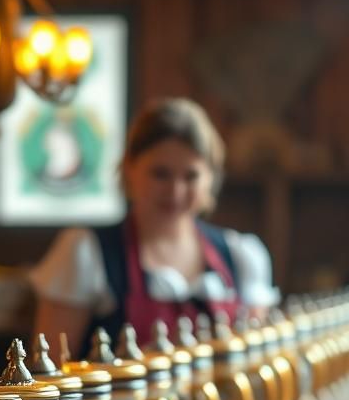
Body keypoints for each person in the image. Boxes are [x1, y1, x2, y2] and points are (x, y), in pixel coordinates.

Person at [31, 97, 278, 357]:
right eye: (160, 173)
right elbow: (52, 369)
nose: (175, 190)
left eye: (190, 176)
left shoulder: (240, 256)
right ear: (129, 169)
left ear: (211, 179)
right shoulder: (86, 251)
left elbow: (256, 361)